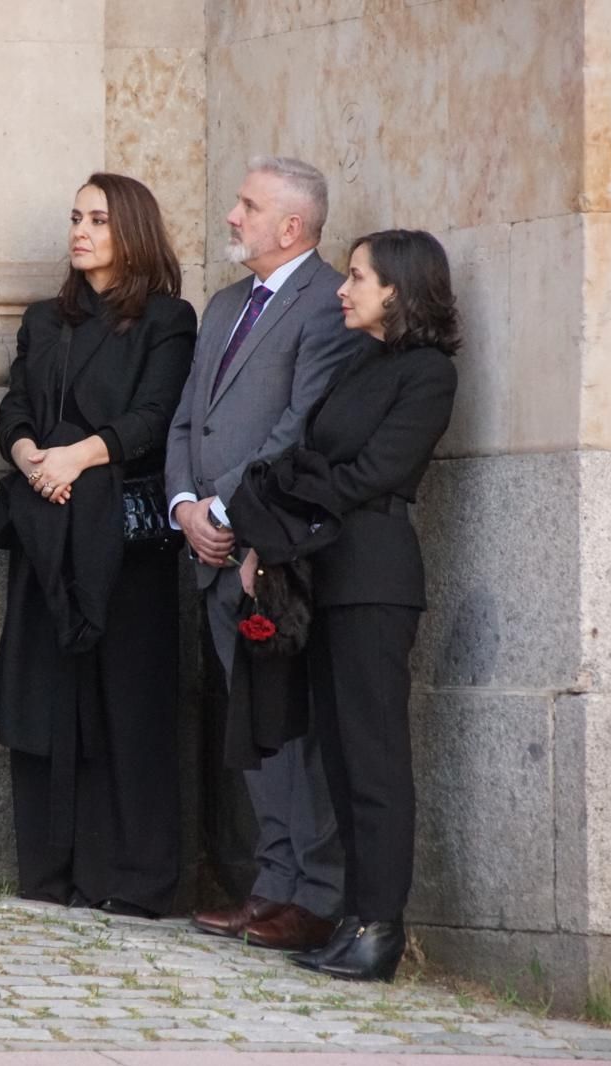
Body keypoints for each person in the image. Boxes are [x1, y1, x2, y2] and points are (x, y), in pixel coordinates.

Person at [232, 229, 455, 981]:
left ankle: (380, 929)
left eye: (357, 277)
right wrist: (276, 514)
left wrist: (290, 494)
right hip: (322, 575)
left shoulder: (428, 374)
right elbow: (305, 461)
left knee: (374, 763)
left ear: (397, 287)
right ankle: (353, 918)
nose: (342, 288)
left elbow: (372, 473)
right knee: (338, 760)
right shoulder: (362, 363)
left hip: (374, 583)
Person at [0, 173, 196, 918]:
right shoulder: (46, 320)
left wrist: (80, 457)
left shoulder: (168, 319)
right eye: (75, 216)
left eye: (98, 220)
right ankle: (51, 870)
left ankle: (133, 879)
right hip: (45, 533)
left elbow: (155, 415)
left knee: (128, 702)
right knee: (47, 693)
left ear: (131, 232)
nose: (80, 231)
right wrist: (31, 454)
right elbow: (12, 407)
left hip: (123, 539)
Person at [165, 156, 363, 951]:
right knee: (249, 729)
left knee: (290, 729)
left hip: (268, 552)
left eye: (247, 206)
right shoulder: (220, 306)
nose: (231, 217)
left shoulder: (326, 305)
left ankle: (313, 893)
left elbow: (299, 425)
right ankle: (268, 883)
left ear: (292, 226)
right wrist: (184, 506)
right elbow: (188, 419)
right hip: (207, 547)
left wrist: (225, 510)